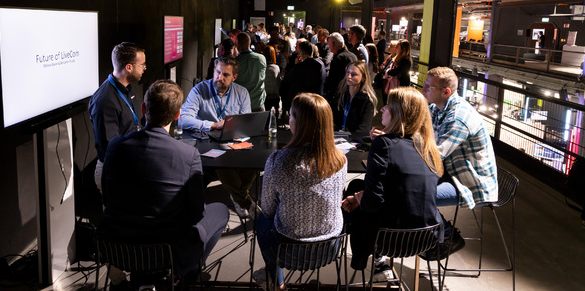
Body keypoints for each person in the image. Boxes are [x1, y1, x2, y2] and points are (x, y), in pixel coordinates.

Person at [98, 80, 229, 287]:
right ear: (177, 115)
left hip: (118, 247)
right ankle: (185, 276)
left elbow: (107, 198)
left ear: (143, 108)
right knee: (221, 211)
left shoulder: (115, 146)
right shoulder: (188, 155)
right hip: (167, 251)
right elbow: (196, 214)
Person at [342, 87, 444, 275]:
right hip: (427, 236)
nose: (382, 109)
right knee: (358, 188)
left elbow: (373, 205)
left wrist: (358, 198)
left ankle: (359, 259)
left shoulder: (383, 145)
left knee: (354, 191)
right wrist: (361, 196)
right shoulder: (428, 147)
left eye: (387, 106)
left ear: (398, 113)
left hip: (391, 239)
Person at [254, 93, 348, 291]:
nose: (289, 120)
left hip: (287, 251)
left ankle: (277, 283)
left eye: (291, 116)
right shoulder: (340, 160)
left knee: (262, 220)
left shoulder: (279, 160)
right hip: (330, 248)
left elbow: (268, 209)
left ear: (301, 124)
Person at [420, 67, 498, 260]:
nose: (423, 90)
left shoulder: (458, 118)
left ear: (446, 92)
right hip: (451, 173)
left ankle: (447, 235)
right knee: (408, 188)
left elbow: (435, 155)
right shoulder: (435, 108)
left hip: (470, 183)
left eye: (428, 87)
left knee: (416, 195)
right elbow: (420, 136)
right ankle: (428, 233)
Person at [178, 57, 259, 219]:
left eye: (225, 75)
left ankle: (237, 195)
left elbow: (245, 124)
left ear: (234, 77)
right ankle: (244, 201)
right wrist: (213, 125)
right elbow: (183, 119)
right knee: (222, 161)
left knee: (255, 161)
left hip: (232, 141)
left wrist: (236, 133)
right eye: (217, 72)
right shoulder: (199, 90)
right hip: (205, 143)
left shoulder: (242, 92)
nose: (219, 78)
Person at [89, 42, 146, 192]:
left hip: (130, 165)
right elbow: (110, 146)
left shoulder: (127, 89)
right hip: (115, 170)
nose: (145, 68)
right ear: (129, 67)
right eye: (142, 65)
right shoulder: (105, 100)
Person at [332, 61, 377, 139]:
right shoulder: (341, 94)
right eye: (348, 72)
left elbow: (363, 130)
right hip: (337, 136)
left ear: (363, 77)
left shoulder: (367, 100)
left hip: (354, 140)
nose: (349, 76)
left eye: (354, 74)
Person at [279, 40, 324, 114]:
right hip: (312, 100)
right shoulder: (318, 65)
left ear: (301, 53)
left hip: (299, 101)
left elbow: (287, 79)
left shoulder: (299, 66)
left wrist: (296, 65)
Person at [236, 32, 267, 111]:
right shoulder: (261, 58)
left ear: (237, 45)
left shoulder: (235, 62)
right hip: (258, 103)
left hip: (241, 105)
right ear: (249, 42)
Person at [325, 32, 357, 100]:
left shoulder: (338, 58)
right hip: (352, 91)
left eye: (329, 44)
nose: (328, 46)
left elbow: (333, 80)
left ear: (333, 44)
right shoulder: (353, 55)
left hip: (340, 94)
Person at [383, 39, 412, 105]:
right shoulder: (398, 58)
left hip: (400, 88)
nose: (395, 48)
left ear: (403, 49)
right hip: (394, 86)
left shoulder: (405, 61)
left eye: (397, 47)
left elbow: (396, 72)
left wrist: (388, 72)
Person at [263, 45, 281, 114]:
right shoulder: (276, 67)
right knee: (276, 111)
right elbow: (278, 82)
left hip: (266, 95)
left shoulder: (262, 67)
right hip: (275, 95)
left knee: (266, 112)